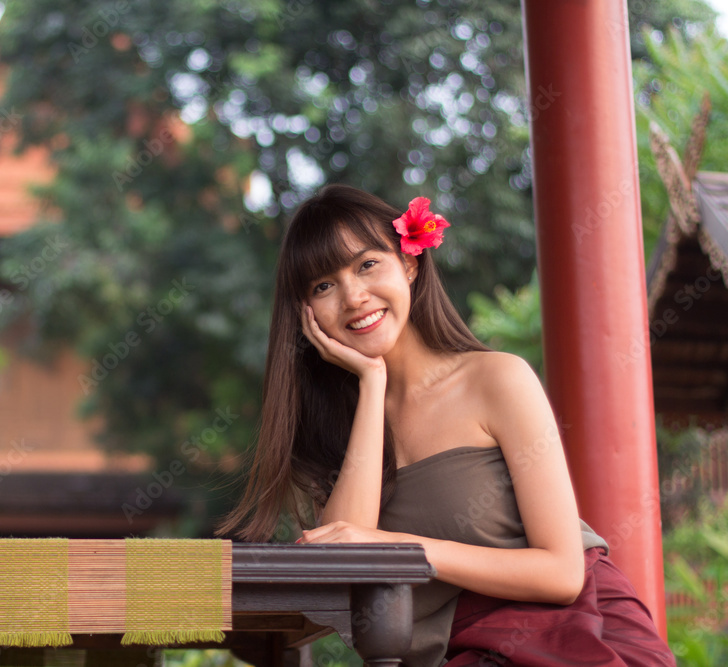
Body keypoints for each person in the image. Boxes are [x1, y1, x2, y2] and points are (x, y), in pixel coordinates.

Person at [215, 184, 675, 666]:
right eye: (323, 286)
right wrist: (373, 383)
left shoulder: (496, 379)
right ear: (306, 314)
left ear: (409, 264)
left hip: (578, 635)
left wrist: (397, 548)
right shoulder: (331, 435)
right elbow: (340, 567)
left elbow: (561, 574)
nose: (353, 296)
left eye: (367, 264)